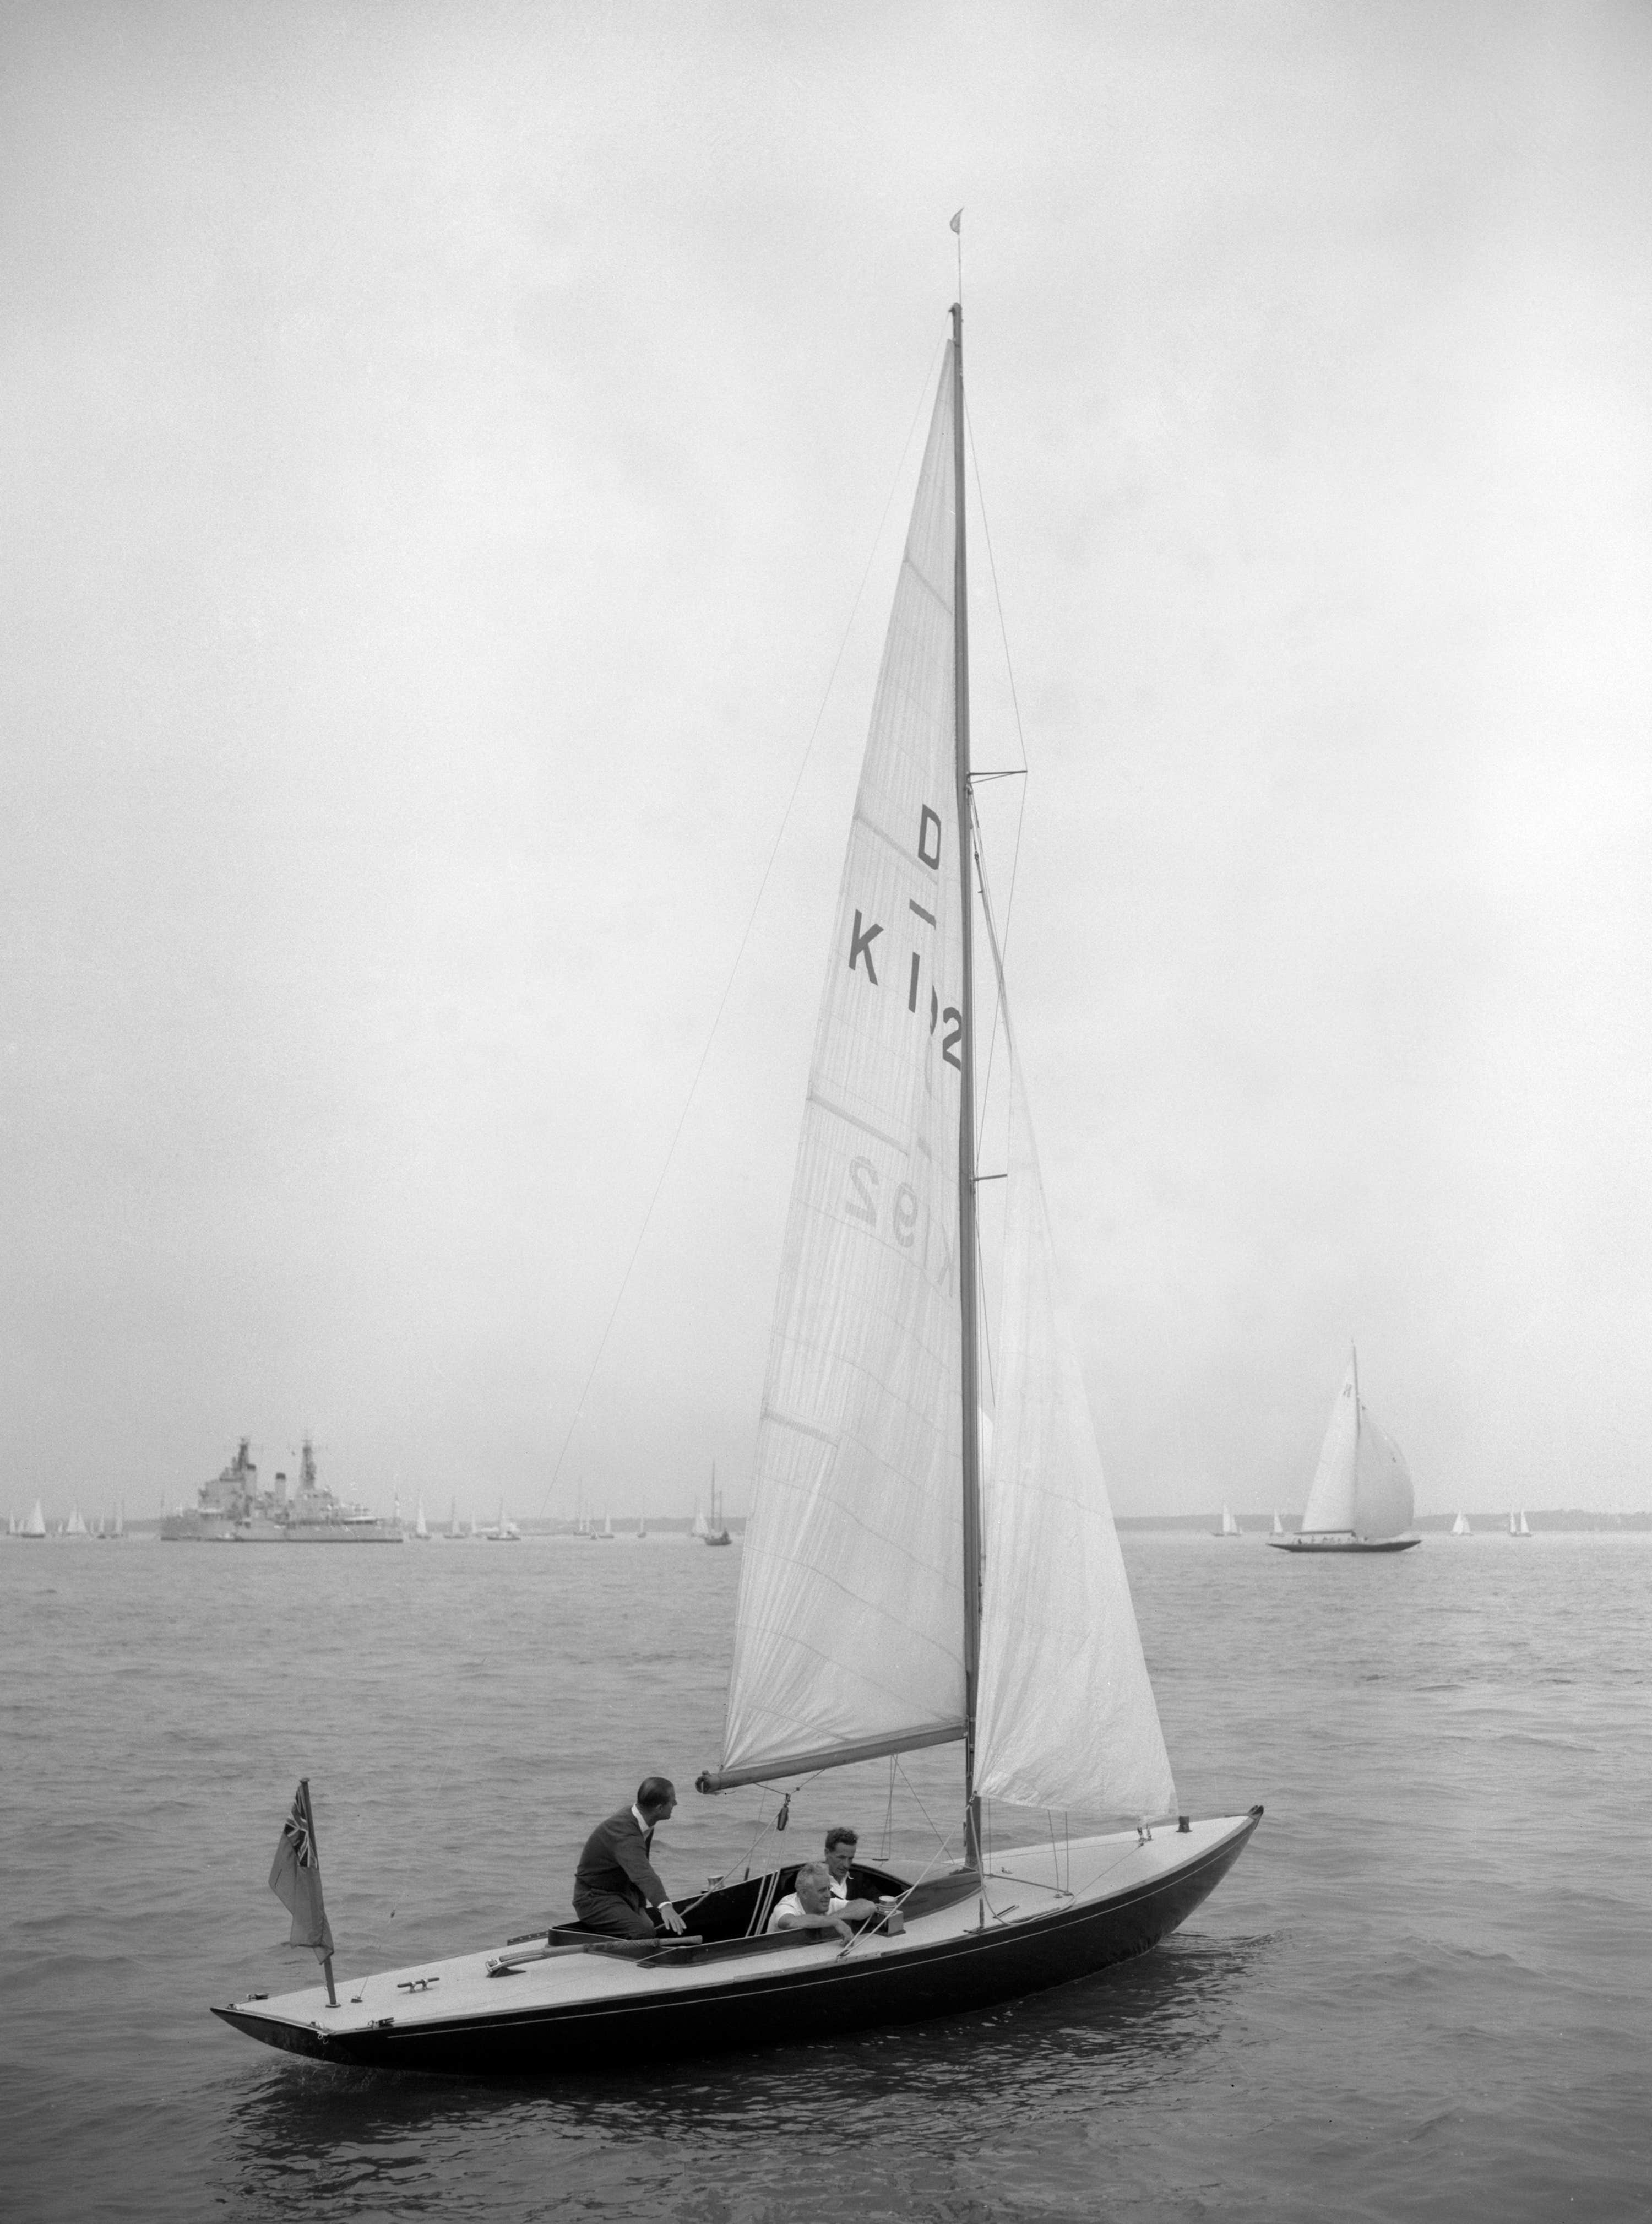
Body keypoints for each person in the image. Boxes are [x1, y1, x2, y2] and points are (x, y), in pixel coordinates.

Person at [572, 1777, 689, 1940]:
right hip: (594, 1899)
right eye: (673, 1801)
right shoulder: (625, 1832)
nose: (675, 1804)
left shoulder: (643, 1821)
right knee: (644, 1932)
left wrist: (641, 1906)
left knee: (649, 1926)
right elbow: (642, 1873)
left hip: (623, 1894)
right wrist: (665, 1906)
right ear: (660, 1808)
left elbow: (639, 1870)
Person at [767, 1861, 854, 1941]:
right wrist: (835, 1922)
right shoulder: (785, 1906)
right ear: (804, 1893)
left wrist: (838, 1916)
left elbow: (865, 1906)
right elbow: (790, 1922)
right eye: (822, 1890)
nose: (829, 1895)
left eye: (829, 1889)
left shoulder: (829, 1903)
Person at [822, 1825, 883, 1922]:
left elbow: (879, 1900)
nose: (846, 1865)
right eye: (841, 1858)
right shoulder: (810, 1882)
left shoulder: (859, 1878)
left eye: (850, 1858)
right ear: (827, 1853)